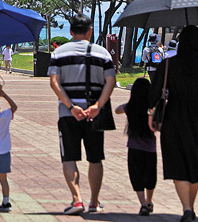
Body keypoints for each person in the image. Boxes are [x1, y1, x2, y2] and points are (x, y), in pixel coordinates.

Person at [49, 14, 116, 216]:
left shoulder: (58, 53)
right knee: (95, 158)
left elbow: (54, 82)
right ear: (90, 31)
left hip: (68, 114)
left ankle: (77, 199)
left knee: (69, 157)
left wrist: (70, 107)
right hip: (94, 113)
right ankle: (94, 202)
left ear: (70, 32)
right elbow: (110, 81)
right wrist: (97, 105)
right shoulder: (102, 53)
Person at [149, 25, 198, 222]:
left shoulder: (169, 64)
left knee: (178, 164)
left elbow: (154, 94)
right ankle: (191, 207)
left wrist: (150, 113)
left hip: (175, 118)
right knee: (195, 165)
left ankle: (186, 208)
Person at [115, 77, 157, 216]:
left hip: (133, 147)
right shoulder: (151, 110)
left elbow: (117, 110)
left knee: (136, 176)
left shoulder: (131, 107)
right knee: (150, 175)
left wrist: (130, 104)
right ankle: (149, 201)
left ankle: (143, 204)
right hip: (150, 149)